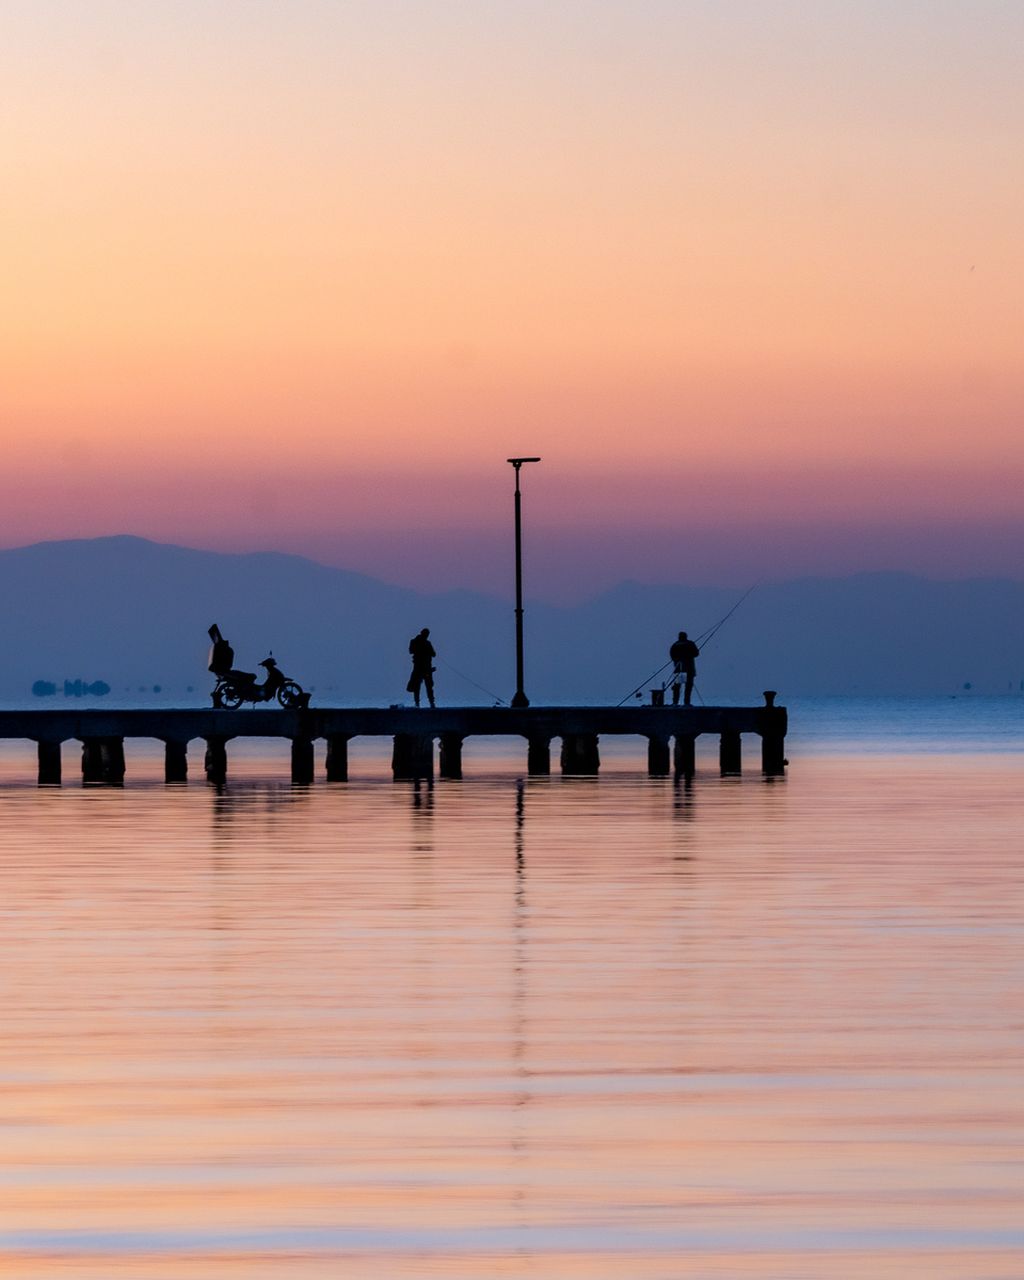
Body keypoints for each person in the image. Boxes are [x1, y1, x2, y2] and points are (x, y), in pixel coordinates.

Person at [407, 628, 436, 708]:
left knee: (428, 686)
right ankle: (418, 703)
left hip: (426, 668)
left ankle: (431, 703)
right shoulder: (415, 641)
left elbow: (433, 654)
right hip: (419, 668)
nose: (427, 636)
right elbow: (411, 651)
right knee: (417, 686)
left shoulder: (427, 643)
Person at [669, 630, 699, 706]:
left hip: (679, 670)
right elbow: (696, 653)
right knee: (688, 686)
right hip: (689, 669)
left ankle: (675, 702)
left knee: (677, 686)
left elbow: (672, 656)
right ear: (686, 636)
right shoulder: (690, 644)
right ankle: (687, 703)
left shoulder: (675, 645)